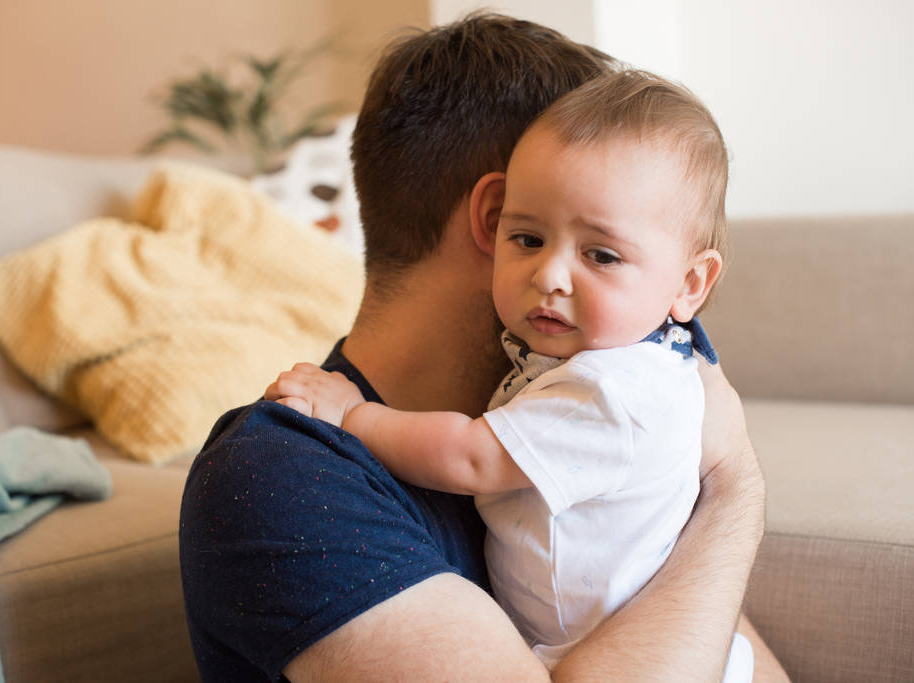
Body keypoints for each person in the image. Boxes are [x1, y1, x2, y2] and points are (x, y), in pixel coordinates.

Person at [180, 13, 784, 681]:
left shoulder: (613, 381)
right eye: (540, 235)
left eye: (606, 252)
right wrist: (733, 490)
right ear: (498, 219)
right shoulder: (288, 475)